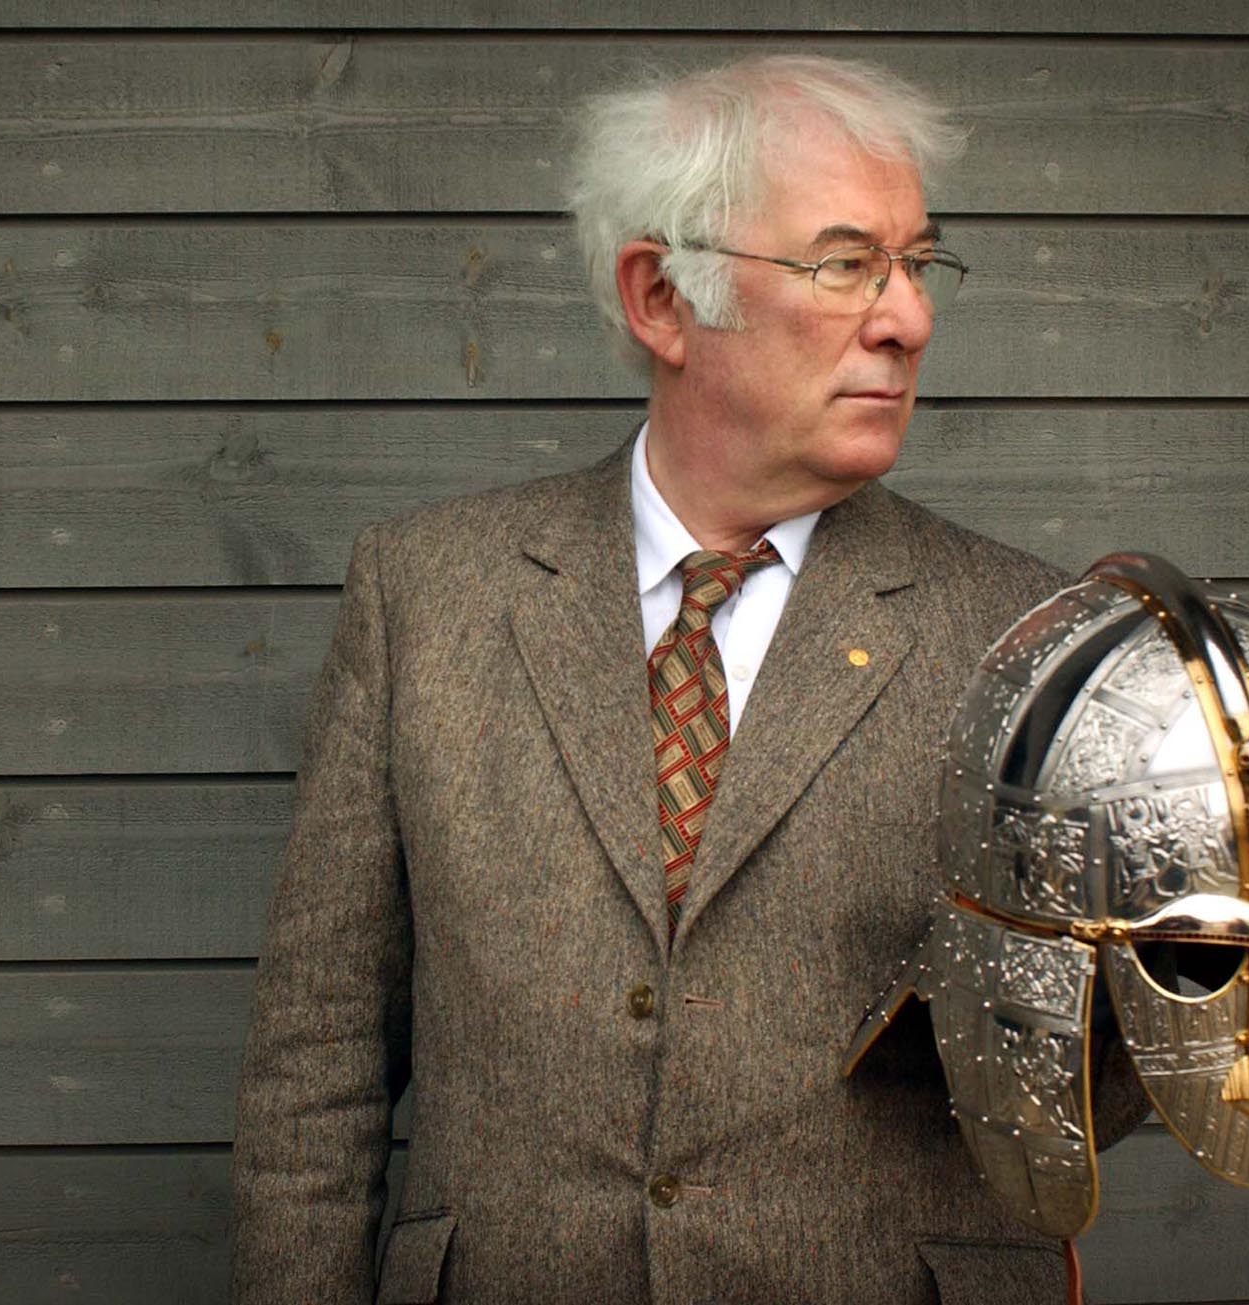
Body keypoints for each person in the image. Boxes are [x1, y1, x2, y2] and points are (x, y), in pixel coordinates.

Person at [231, 54, 1143, 1304]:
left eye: (916, 263)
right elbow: (315, 1061)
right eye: (843, 264)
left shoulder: (1032, 637)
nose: (906, 318)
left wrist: (1186, 956)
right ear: (661, 298)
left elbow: (1087, 1093)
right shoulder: (425, 594)